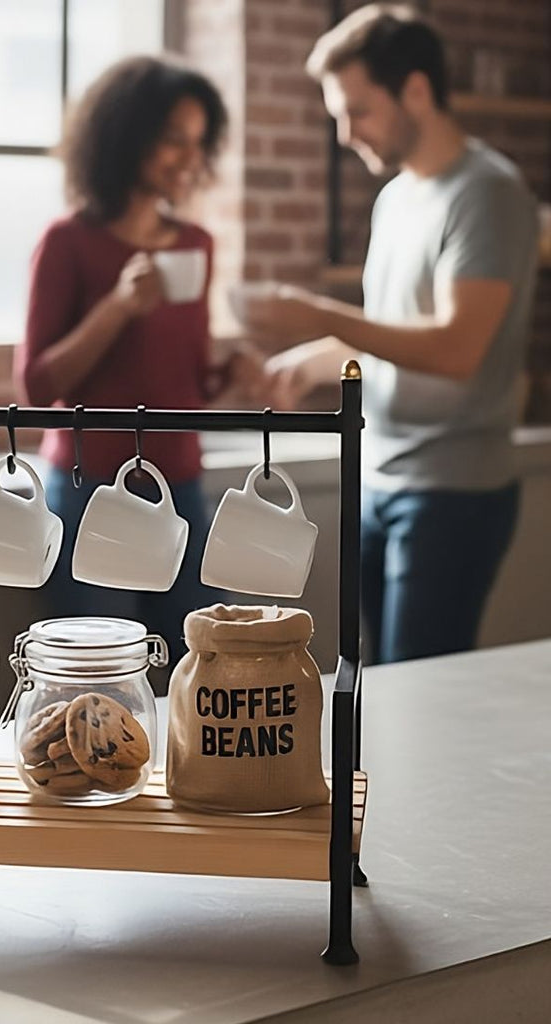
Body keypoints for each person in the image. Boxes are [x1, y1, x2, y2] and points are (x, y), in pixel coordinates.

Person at [239, 4, 539, 664]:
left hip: (452, 492)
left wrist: (318, 312)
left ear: (417, 91)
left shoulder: (488, 194)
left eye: (357, 110)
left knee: (419, 693)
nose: (346, 134)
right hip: (379, 477)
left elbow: (456, 350)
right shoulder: (395, 197)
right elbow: (391, 337)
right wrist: (308, 363)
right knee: (378, 684)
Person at [13, 55, 261, 668]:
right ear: (127, 136)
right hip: (88, 489)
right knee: (94, 673)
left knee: (200, 670)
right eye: (173, 138)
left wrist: (230, 375)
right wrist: (118, 306)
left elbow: (183, 385)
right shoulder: (67, 244)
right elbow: (36, 385)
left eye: (197, 142)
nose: (187, 157)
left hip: (182, 487)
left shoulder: (196, 245)